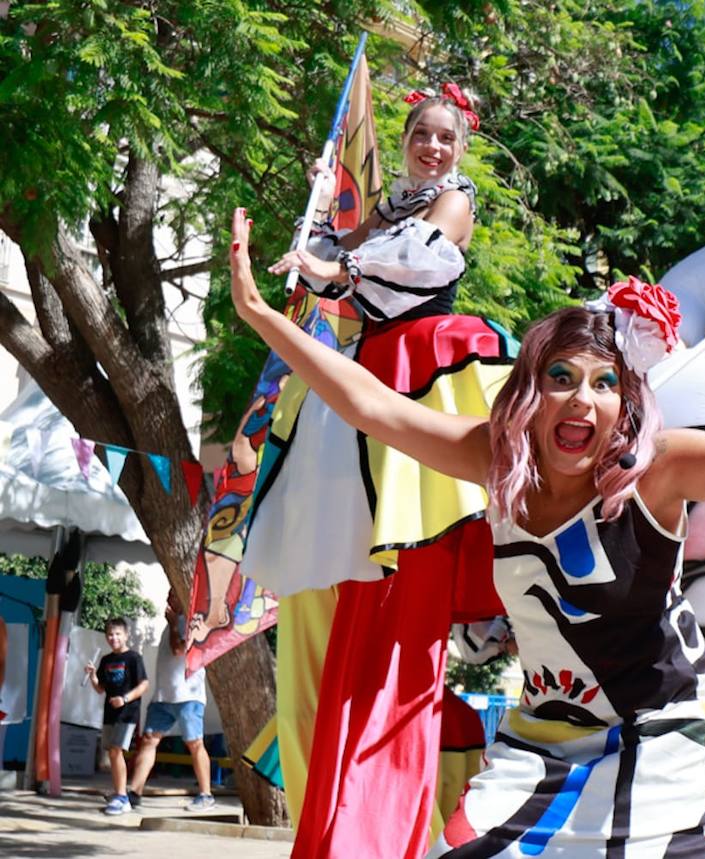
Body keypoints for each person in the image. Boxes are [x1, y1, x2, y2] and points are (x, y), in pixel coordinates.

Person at [228, 205, 705, 855]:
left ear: (624, 402)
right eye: (560, 378)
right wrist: (265, 317)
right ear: (529, 393)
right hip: (544, 729)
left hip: (664, 725)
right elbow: (373, 407)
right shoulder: (496, 459)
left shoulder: (658, 469)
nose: (581, 401)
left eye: (604, 384)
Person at [225, 86, 518, 859]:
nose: (431, 146)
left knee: (400, 584)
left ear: (461, 147)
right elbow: (337, 275)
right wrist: (305, 255)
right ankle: (332, 811)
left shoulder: (451, 203)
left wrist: (335, 259)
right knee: (338, 583)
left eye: (444, 136)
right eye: (420, 133)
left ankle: (376, 828)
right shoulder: (386, 208)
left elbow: (414, 268)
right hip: (361, 381)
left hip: (417, 373)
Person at [125, 592, 214, 812]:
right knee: (148, 740)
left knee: (195, 744)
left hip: (188, 697)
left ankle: (206, 794)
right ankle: (134, 792)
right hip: (164, 696)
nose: (168, 598)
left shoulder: (192, 623)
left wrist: (175, 624)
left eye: (173, 594)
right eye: (168, 594)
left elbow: (178, 650)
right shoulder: (173, 622)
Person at [84, 618, 148, 816]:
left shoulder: (133, 658)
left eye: (118, 634)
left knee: (115, 751)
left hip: (127, 713)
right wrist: (94, 676)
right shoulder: (106, 660)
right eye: (110, 634)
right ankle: (120, 794)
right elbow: (100, 689)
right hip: (110, 713)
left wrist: (125, 698)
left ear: (126, 635)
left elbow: (144, 685)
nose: (114, 638)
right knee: (112, 754)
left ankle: (122, 797)